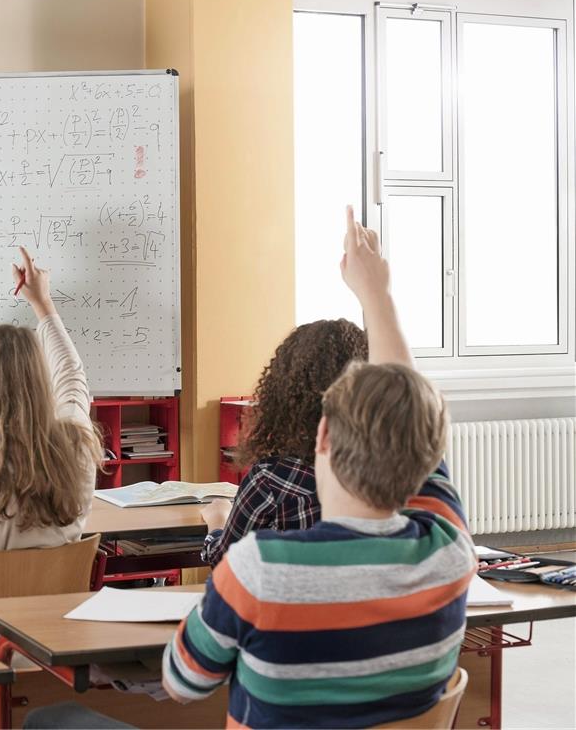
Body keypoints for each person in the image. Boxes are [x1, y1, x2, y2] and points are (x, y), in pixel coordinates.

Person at [160, 207, 474, 727]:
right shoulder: (448, 549)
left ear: (323, 435)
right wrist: (376, 293)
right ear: (427, 455)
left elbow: (182, 683)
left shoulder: (259, 568)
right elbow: (407, 404)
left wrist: (374, 289)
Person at [0, 247, 104, 614]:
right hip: (60, 633)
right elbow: (73, 378)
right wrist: (42, 304)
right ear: (38, 378)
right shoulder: (77, 448)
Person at [200, 319, 367, 566]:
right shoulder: (390, 475)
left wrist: (217, 521)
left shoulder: (273, 478)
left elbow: (227, 564)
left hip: (290, 602)